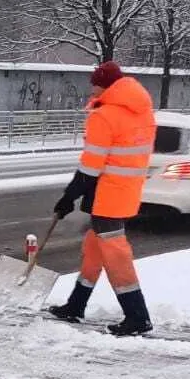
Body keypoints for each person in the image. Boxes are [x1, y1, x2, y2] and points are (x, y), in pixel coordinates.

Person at [47, 61, 156, 336]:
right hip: (127, 191)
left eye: (94, 83)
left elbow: (90, 167)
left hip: (108, 193)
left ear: (103, 84)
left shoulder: (104, 115)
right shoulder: (140, 111)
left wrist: (68, 197)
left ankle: (137, 316)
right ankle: (75, 305)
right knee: (94, 248)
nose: (91, 88)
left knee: (116, 254)